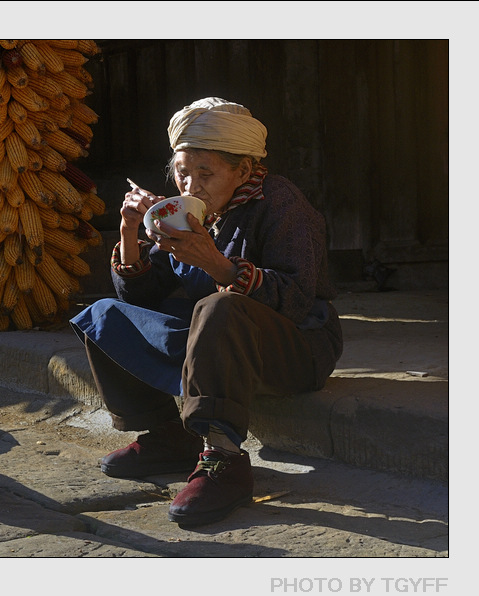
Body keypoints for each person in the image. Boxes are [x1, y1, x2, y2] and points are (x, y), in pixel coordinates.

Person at [69, 97, 343, 527]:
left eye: (205, 173)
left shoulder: (282, 204)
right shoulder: (188, 213)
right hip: (215, 345)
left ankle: (224, 459)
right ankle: (167, 436)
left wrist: (215, 262)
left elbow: (295, 298)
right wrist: (128, 232)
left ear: (244, 170)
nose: (190, 185)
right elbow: (139, 300)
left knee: (219, 306)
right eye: (181, 172)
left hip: (298, 347)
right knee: (104, 315)